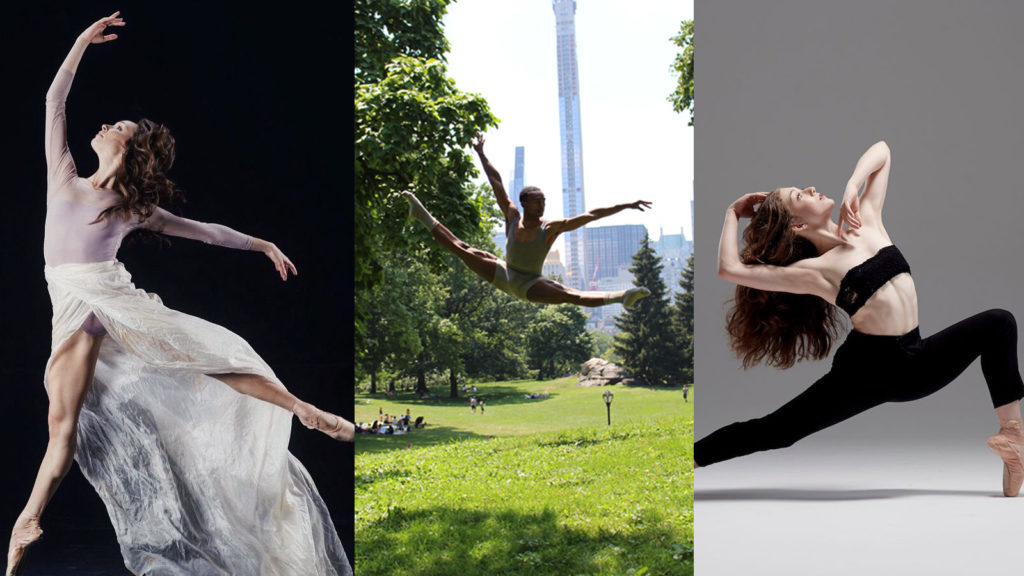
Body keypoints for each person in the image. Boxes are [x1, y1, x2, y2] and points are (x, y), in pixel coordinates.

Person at [7, 13, 353, 575]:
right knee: (63, 424)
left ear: (129, 145)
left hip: (113, 302)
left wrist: (261, 243)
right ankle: (30, 518)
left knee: (204, 355)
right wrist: (78, 44)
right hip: (74, 309)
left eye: (116, 124)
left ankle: (304, 410)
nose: (105, 124)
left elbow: (208, 232)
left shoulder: (133, 207)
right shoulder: (64, 178)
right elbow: (53, 103)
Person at [694, 141, 1024, 498]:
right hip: (866, 370)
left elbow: (883, 152)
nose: (809, 188)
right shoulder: (814, 272)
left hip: (916, 360)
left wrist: (853, 183)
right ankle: (691, 459)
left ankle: (1014, 438)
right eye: (797, 195)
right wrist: (731, 212)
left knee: (999, 323)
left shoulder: (867, 221)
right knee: (779, 430)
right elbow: (729, 269)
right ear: (799, 224)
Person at [402, 132, 653, 308]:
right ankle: (421, 214)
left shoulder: (551, 228)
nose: (543, 204)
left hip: (530, 285)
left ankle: (623, 296)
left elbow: (591, 215)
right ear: (524, 202)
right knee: (463, 249)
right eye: (538, 200)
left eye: (544, 200)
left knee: (570, 294)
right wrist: (481, 152)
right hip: (504, 273)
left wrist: (626, 205)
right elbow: (496, 181)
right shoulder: (512, 215)